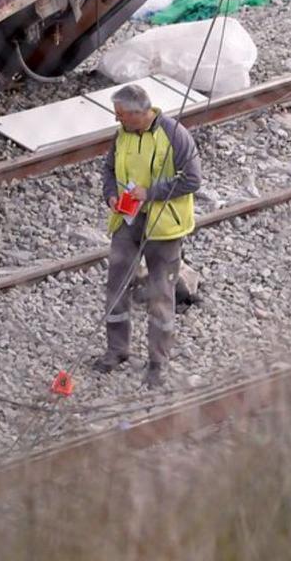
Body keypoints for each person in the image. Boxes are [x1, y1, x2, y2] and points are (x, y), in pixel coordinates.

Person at [93, 83, 202, 388]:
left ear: (138, 114)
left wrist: (150, 193)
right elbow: (110, 170)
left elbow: (193, 179)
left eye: (120, 115)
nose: (117, 120)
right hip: (127, 223)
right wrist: (111, 195)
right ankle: (117, 350)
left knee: (159, 295)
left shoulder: (174, 135)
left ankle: (158, 362)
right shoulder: (123, 135)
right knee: (116, 285)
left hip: (163, 229)